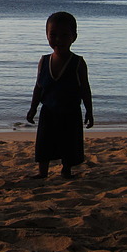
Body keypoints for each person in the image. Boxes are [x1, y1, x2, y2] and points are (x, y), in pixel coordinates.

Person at [26, 12, 94, 179]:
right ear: (47, 36)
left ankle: (66, 170)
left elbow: (85, 89)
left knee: (69, 143)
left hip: (70, 111)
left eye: (64, 35)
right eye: (53, 35)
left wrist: (89, 112)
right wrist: (33, 108)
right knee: (44, 143)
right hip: (48, 111)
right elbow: (38, 86)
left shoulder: (77, 63)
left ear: (74, 37)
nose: (58, 39)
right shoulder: (44, 61)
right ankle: (42, 172)